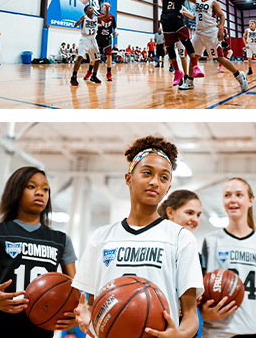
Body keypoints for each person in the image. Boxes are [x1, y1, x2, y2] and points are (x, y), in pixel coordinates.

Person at [73, 136, 202, 338]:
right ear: (128, 178)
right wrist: (86, 317)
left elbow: (190, 315)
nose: (154, 182)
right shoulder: (101, 237)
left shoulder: (181, 238)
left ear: (168, 188)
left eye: (164, 177)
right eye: (147, 173)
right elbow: (89, 306)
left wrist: (181, 334)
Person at [0, 166, 78, 338]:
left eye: (45, 189)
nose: (40, 193)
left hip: (41, 332)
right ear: (16, 190)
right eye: (32, 187)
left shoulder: (61, 240)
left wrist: (76, 315)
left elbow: (75, 290)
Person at [199, 178, 256, 338]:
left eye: (239, 195)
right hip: (218, 333)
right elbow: (201, 289)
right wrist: (205, 313)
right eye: (227, 195)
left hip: (255, 333)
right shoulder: (210, 241)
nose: (233, 200)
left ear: (250, 200)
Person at [72, 4, 101, 86]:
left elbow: (105, 16)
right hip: (84, 38)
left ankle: (94, 76)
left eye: (92, 8)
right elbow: (75, 25)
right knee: (80, 57)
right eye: (89, 8)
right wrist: (80, 20)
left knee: (97, 59)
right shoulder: (84, 18)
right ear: (86, 11)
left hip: (93, 39)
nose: (91, 9)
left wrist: (107, 8)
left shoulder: (96, 18)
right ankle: (74, 76)